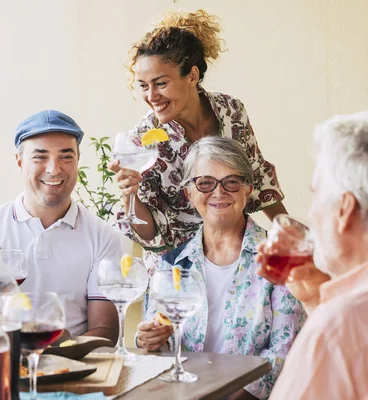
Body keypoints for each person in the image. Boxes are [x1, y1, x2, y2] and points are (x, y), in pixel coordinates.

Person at [110, 10, 286, 272]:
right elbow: (149, 234)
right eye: (143, 86)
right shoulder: (144, 139)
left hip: (233, 254)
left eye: (160, 83)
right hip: (178, 269)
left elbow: (257, 177)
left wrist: (287, 230)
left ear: (192, 76)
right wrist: (130, 195)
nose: (151, 95)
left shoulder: (231, 110)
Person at [137, 137, 304, 400]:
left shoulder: (281, 257)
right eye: (205, 183)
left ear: (248, 189)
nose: (219, 192)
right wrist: (148, 340)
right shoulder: (171, 263)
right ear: (189, 193)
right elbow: (156, 341)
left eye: (232, 182)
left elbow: (286, 349)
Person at [0, 110, 120, 342]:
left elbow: (106, 332)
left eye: (66, 157)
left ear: (78, 159)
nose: (54, 169)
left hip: (76, 367)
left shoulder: (103, 236)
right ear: (19, 161)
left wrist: (58, 346)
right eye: (40, 157)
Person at [257, 113, 368, 399]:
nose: (311, 212)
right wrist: (315, 300)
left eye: (316, 195)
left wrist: (326, 317)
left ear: (344, 209)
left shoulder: (336, 327)